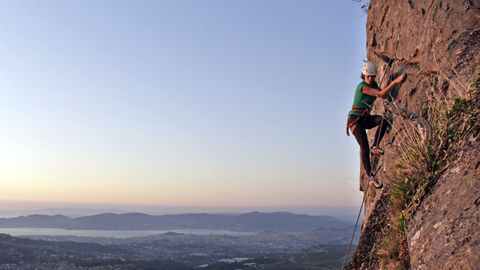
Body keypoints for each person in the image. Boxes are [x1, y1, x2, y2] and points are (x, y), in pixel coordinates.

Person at [346, 61, 405, 189]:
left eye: (372, 76)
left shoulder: (373, 84)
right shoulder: (361, 87)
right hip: (355, 120)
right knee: (364, 147)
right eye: (368, 76)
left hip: (365, 118)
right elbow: (380, 94)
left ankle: (376, 146)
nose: (371, 78)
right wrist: (395, 82)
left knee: (384, 120)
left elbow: (383, 93)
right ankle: (370, 176)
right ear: (364, 76)